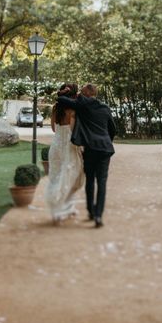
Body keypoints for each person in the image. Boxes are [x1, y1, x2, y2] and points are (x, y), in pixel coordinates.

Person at [57, 83, 115, 228]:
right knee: (102, 182)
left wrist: (63, 92)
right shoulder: (105, 108)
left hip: (90, 148)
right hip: (105, 148)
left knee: (90, 180)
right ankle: (98, 216)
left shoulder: (83, 103)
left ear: (88, 93)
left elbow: (62, 101)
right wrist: (106, 141)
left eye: (82, 92)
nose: (80, 94)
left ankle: (91, 211)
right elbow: (112, 129)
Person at [44, 83, 85, 224]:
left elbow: (54, 129)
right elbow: (74, 130)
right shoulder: (74, 109)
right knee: (71, 177)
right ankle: (63, 210)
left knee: (56, 177)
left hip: (56, 145)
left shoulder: (56, 108)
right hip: (69, 145)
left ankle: (61, 210)